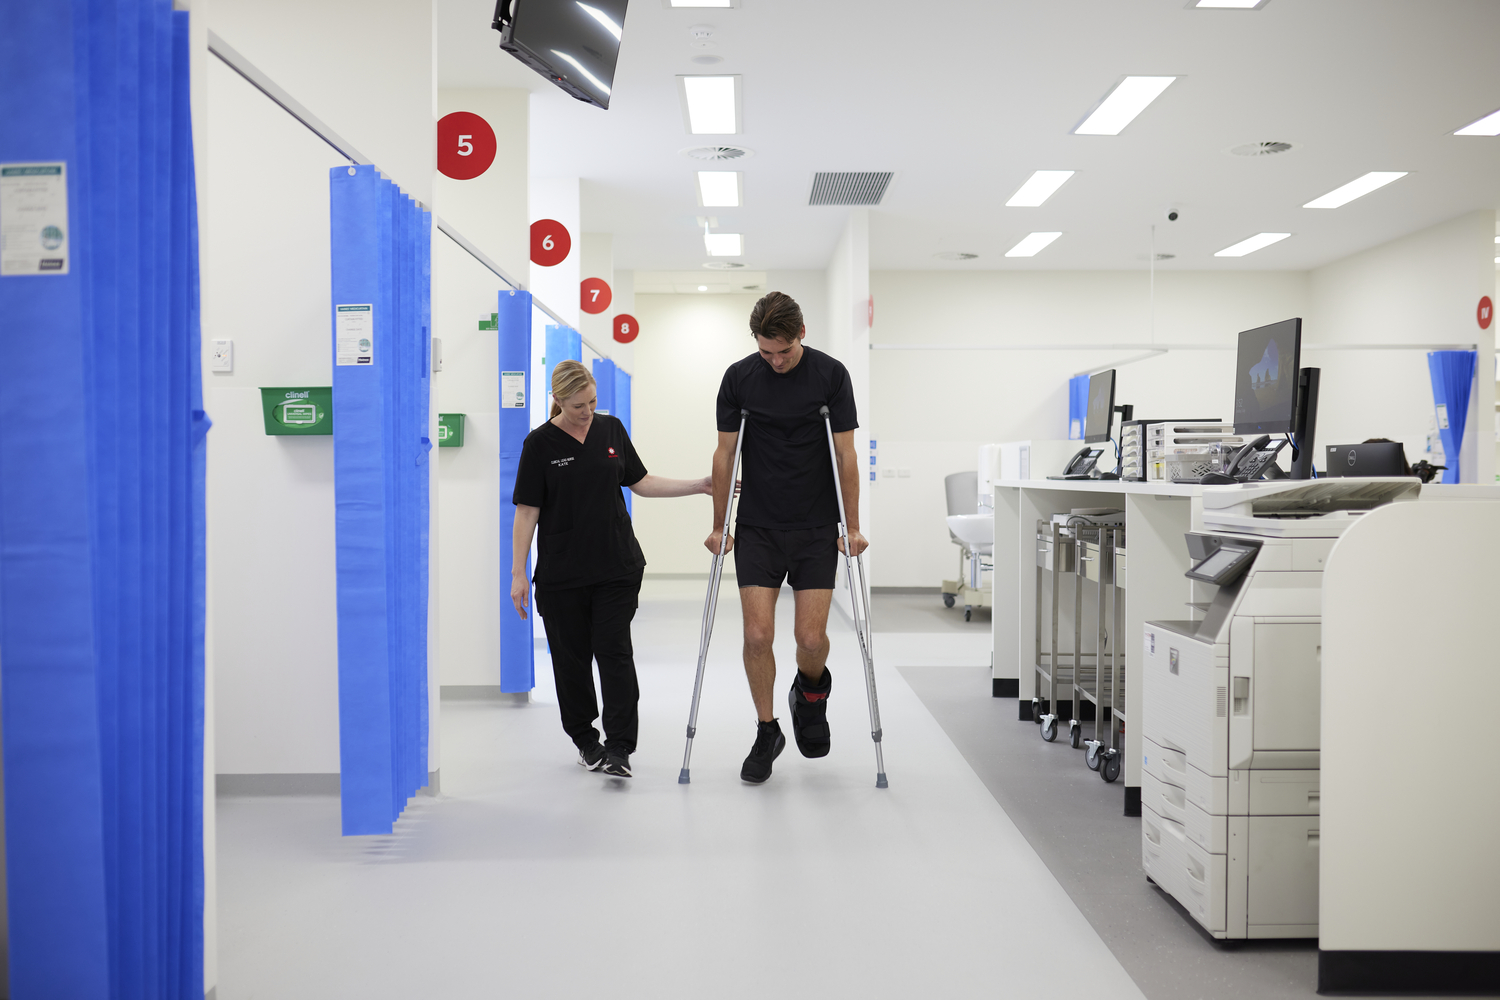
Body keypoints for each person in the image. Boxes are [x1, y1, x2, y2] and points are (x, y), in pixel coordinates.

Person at [512, 360, 711, 778]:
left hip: (616, 565)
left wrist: (698, 485)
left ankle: (620, 747)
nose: (587, 411)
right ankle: (586, 739)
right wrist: (517, 574)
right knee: (572, 660)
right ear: (558, 400)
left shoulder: (611, 430)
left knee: (614, 651)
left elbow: (639, 481)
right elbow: (527, 512)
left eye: (592, 402)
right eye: (578, 404)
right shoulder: (539, 445)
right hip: (562, 573)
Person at [707, 291, 866, 784]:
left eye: (784, 352)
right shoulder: (738, 379)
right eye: (765, 352)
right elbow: (724, 455)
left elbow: (846, 456)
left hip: (817, 526)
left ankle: (810, 695)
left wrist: (853, 526)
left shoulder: (830, 375)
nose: (775, 362)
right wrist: (720, 525)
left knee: (810, 638)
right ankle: (766, 728)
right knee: (757, 634)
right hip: (757, 525)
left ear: (802, 334)